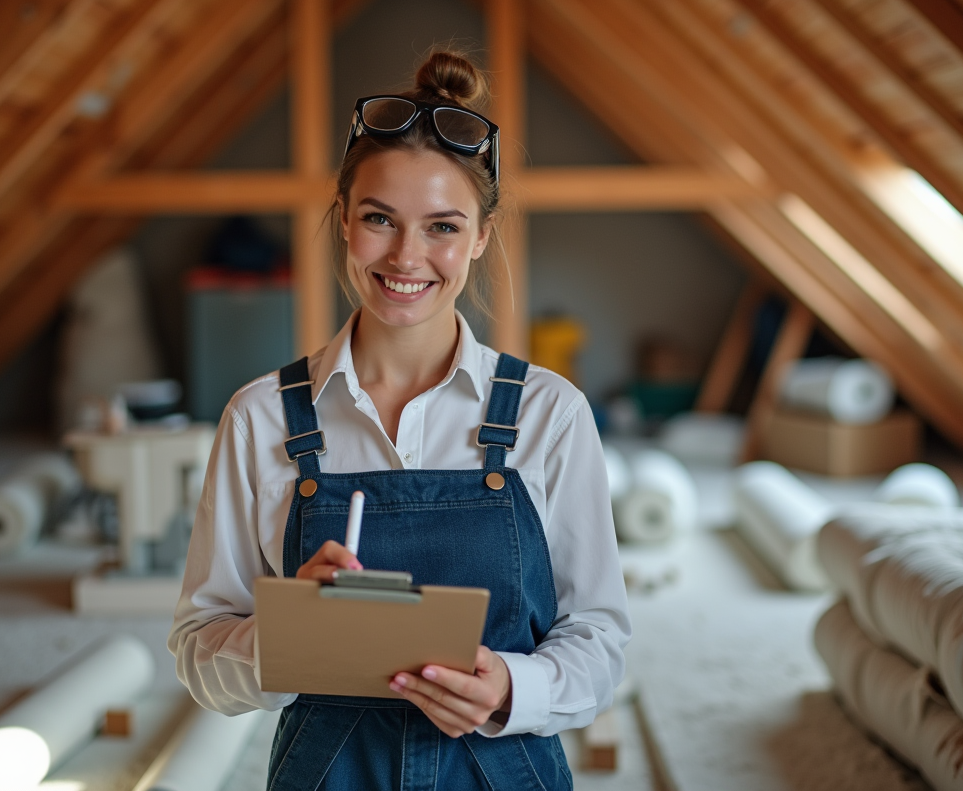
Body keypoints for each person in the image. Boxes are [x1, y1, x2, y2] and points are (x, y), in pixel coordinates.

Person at [169, 49, 631, 791]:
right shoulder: (261, 418)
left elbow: (600, 638)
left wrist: (513, 688)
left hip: (504, 772)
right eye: (379, 219)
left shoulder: (549, 414)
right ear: (344, 223)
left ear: (481, 236)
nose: (407, 256)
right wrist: (288, 636)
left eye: (442, 227)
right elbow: (199, 652)